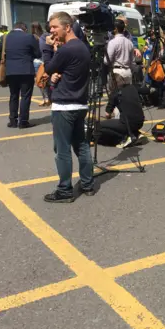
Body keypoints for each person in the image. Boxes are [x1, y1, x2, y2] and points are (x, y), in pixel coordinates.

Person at [44, 12, 94, 203]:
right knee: (81, 144)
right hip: (80, 103)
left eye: (55, 27)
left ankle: (64, 190)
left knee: (62, 149)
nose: (52, 31)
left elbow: (48, 68)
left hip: (64, 105)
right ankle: (87, 184)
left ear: (67, 27)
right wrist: (60, 74)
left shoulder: (66, 50)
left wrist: (48, 48)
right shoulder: (82, 47)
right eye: (50, 28)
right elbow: (68, 71)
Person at [3, 22, 40, 128]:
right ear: (25, 29)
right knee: (25, 96)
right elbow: (38, 53)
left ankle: (13, 120)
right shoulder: (29, 37)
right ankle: (23, 121)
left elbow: (3, 50)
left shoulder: (6, 37)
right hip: (26, 70)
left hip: (10, 70)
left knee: (13, 95)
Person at [99, 83, 146, 148]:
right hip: (140, 121)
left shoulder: (115, 93)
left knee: (99, 125)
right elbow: (145, 90)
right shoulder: (132, 87)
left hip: (126, 123)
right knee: (127, 119)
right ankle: (136, 134)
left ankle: (124, 138)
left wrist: (109, 117)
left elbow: (107, 114)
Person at [106, 20, 136, 88]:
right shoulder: (129, 42)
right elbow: (133, 61)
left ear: (116, 29)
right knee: (126, 96)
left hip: (117, 73)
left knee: (116, 96)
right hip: (128, 73)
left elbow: (107, 60)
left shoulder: (112, 42)